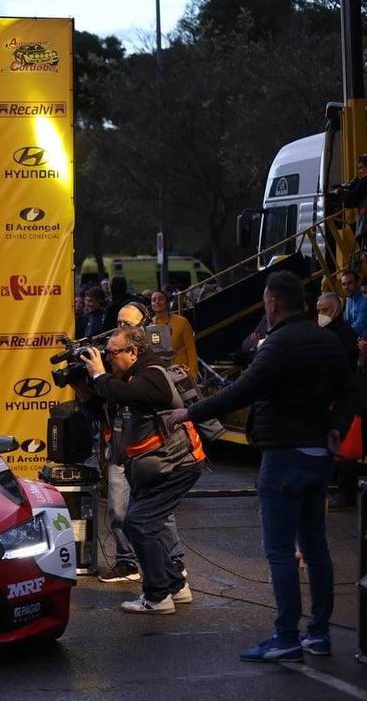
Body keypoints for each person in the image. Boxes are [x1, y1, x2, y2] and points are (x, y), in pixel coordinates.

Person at [165, 271, 356, 661]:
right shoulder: (329, 340)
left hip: (284, 454)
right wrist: (336, 428)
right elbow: (352, 390)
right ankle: (319, 633)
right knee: (316, 549)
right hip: (319, 455)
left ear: (271, 304)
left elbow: (242, 390)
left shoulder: (278, 343)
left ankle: (286, 636)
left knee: (281, 551)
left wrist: (188, 412)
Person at [74, 325, 200, 614]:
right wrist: (83, 388)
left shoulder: (153, 373)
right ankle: (176, 587)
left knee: (139, 523)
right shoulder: (126, 376)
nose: (107, 358)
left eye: (112, 352)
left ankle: (157, 596)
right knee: (141, 524)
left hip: (177, 463)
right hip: (156, 465)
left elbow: (127, 394)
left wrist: (98, 374)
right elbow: (106, 411)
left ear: (134, 351)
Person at [92, 302, 185, 585]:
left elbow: (128, 394)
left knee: (151, 513)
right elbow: (103, 404)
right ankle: (127, 561)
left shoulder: (151, 366)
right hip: (121, 445)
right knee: (119, 509)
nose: (121, 329)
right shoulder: (112, 355)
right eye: (119, 323)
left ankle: (172, 565)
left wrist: (100, 375)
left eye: (128, 324)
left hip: (152, 451)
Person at [317, 291, 360, 509]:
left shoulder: (344, 334)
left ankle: (346, 494)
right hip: (329, 397)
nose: (321, 315)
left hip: (342, 398)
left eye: (325, 310)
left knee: (345, 448)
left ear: (335, 310)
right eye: (319, 310)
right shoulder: (324, 332)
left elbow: (343, 365)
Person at [150, 290, 198, 381]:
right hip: (160, 376)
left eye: (161, 299)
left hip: (181, 374)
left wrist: (193, 374)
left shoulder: (182, 322)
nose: (157, 302)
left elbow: (191, 350)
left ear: (167, 302)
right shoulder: (150, 325)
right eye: (154, 300)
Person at [341, 270, 367, 336]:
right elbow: (345, 321)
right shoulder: (349, 299)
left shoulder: (364, 300)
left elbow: (358, 328)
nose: (346, 287)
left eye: (349, 283)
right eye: (343, 284)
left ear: (357, 283)